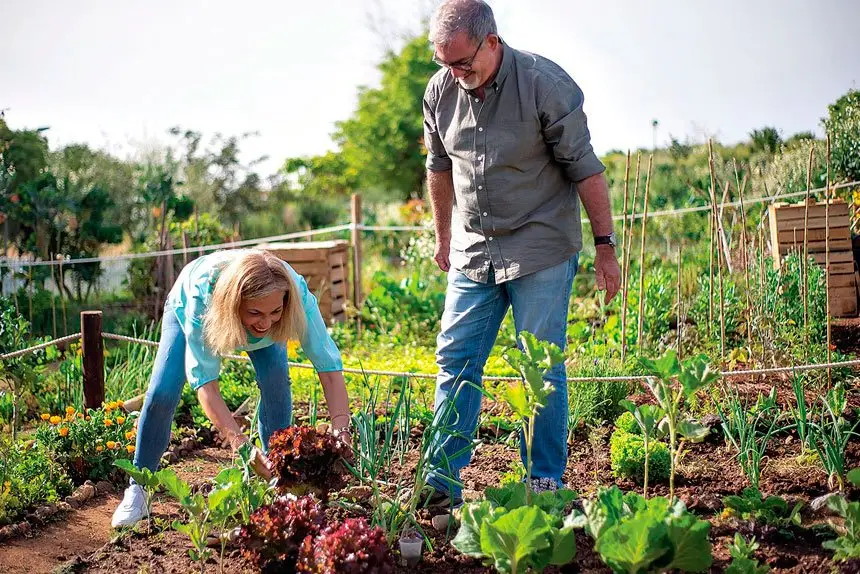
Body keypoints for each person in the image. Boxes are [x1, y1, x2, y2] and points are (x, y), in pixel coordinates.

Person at [420, 0, 621, 508]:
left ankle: (544, 483)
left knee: (540, 366)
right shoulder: (440, 91)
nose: (454, 73)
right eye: (444, 63)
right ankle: (440, 484)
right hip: (473, 249)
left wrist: (605, 247)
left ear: (491, 41)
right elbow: (439, 166)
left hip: (540, 247)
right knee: (455, 359)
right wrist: (443, 236)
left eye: (463, 62)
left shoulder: (544, 85)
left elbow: (586, 168)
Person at [111, 248, 351, 527]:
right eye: (255, 312)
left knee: (276, 385)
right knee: (162, 394)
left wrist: (341, 429)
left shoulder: (293, 294)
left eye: (275, 311)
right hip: (194, 305)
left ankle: (278, 479)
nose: (266, 322)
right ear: (236, 304)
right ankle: (138, 488)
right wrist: (242, 447)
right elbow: (206, 386)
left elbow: (329, 368)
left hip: (253, 317)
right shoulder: (202, 301)